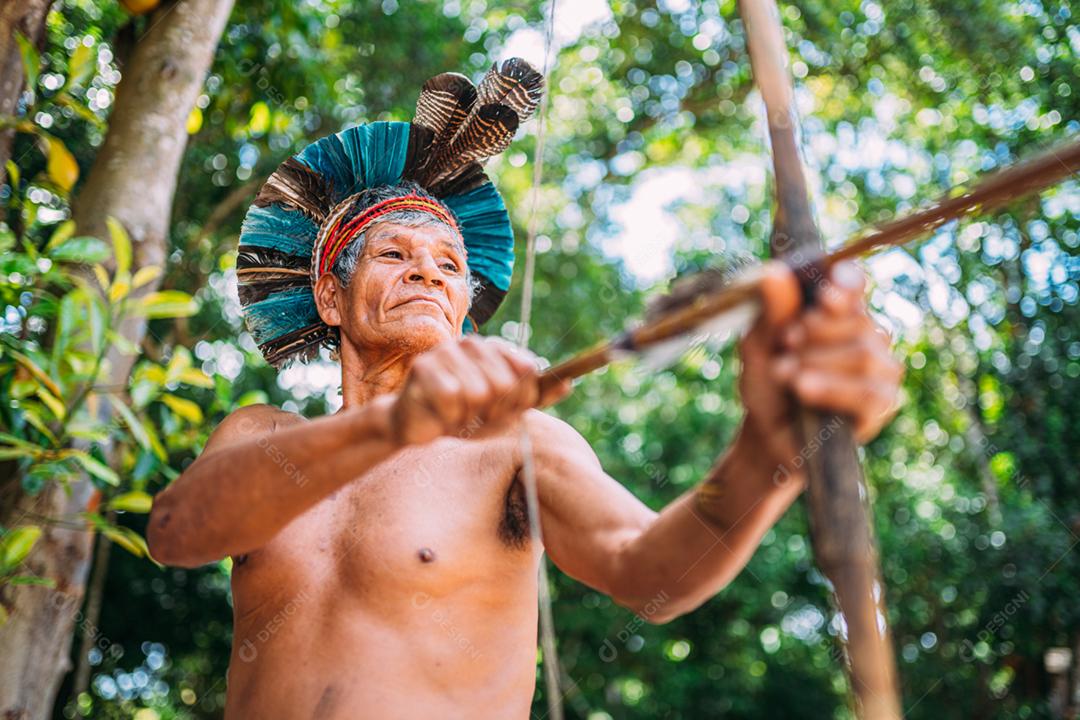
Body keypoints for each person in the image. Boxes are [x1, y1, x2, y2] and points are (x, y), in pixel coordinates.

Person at [147, 61, 903, 719]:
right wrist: (388, 428)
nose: (428, 272)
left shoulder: (514, 442)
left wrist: (766, 452)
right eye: (394, 253)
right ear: (330, 299)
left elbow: (647, 568)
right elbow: (177, 533)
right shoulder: (260, 436)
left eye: (449, 266)